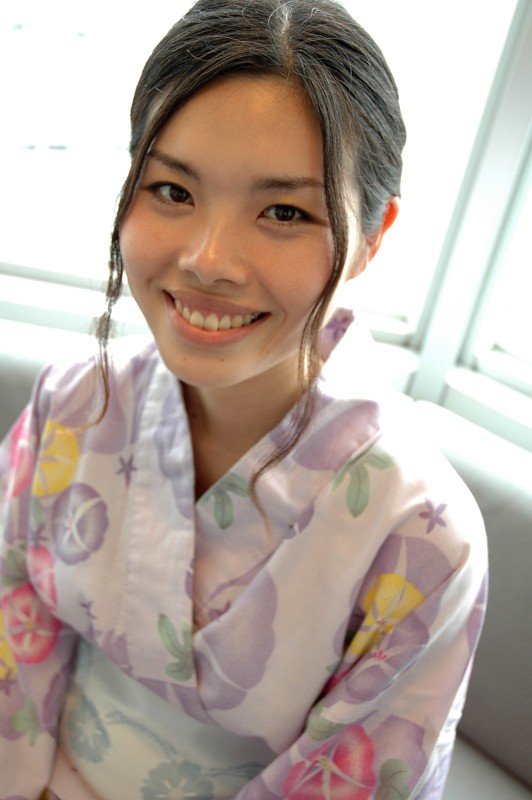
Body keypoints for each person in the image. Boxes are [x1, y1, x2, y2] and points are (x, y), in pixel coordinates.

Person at [0, 1, 487, 798]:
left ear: (373, 236)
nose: (208, 260)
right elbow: (11, 639)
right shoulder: (73, 402)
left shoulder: (422, 536)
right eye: (171, 190)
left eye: (284, 212)